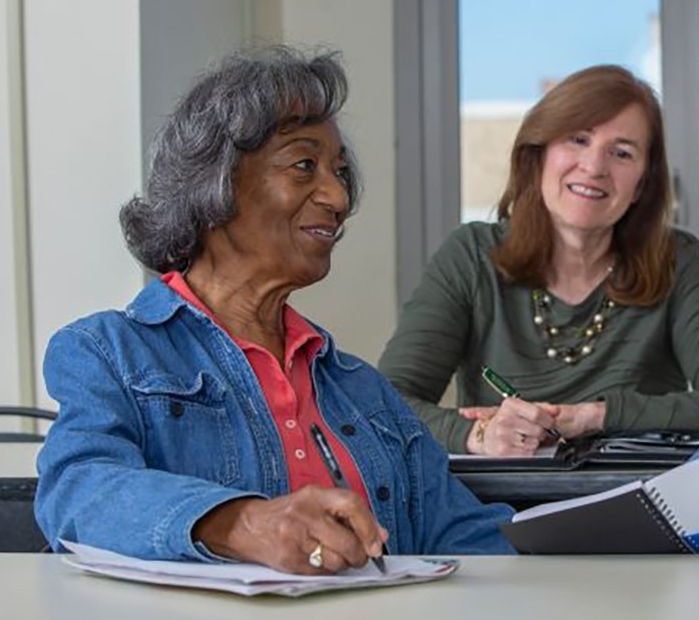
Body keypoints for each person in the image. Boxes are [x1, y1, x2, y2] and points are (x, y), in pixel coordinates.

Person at [34, 46, 514, 572]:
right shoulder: (107, 352)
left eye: (339, 172)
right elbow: (78, 495)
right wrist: (243, 523)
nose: (337, 197)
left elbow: (463, 533)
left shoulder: (363, 390)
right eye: (304, 165)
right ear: (214, 181)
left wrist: (583, 548)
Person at [379, 65, 699, 457]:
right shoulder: (470, 255)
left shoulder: (675, 261)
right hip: (493, 509)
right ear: (538, 155)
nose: (593, 167)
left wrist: (596, 416)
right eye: (578, 139)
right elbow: (383, 405)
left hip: (631, 506)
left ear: (642, 183)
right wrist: (480, 435)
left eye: (621, 152)